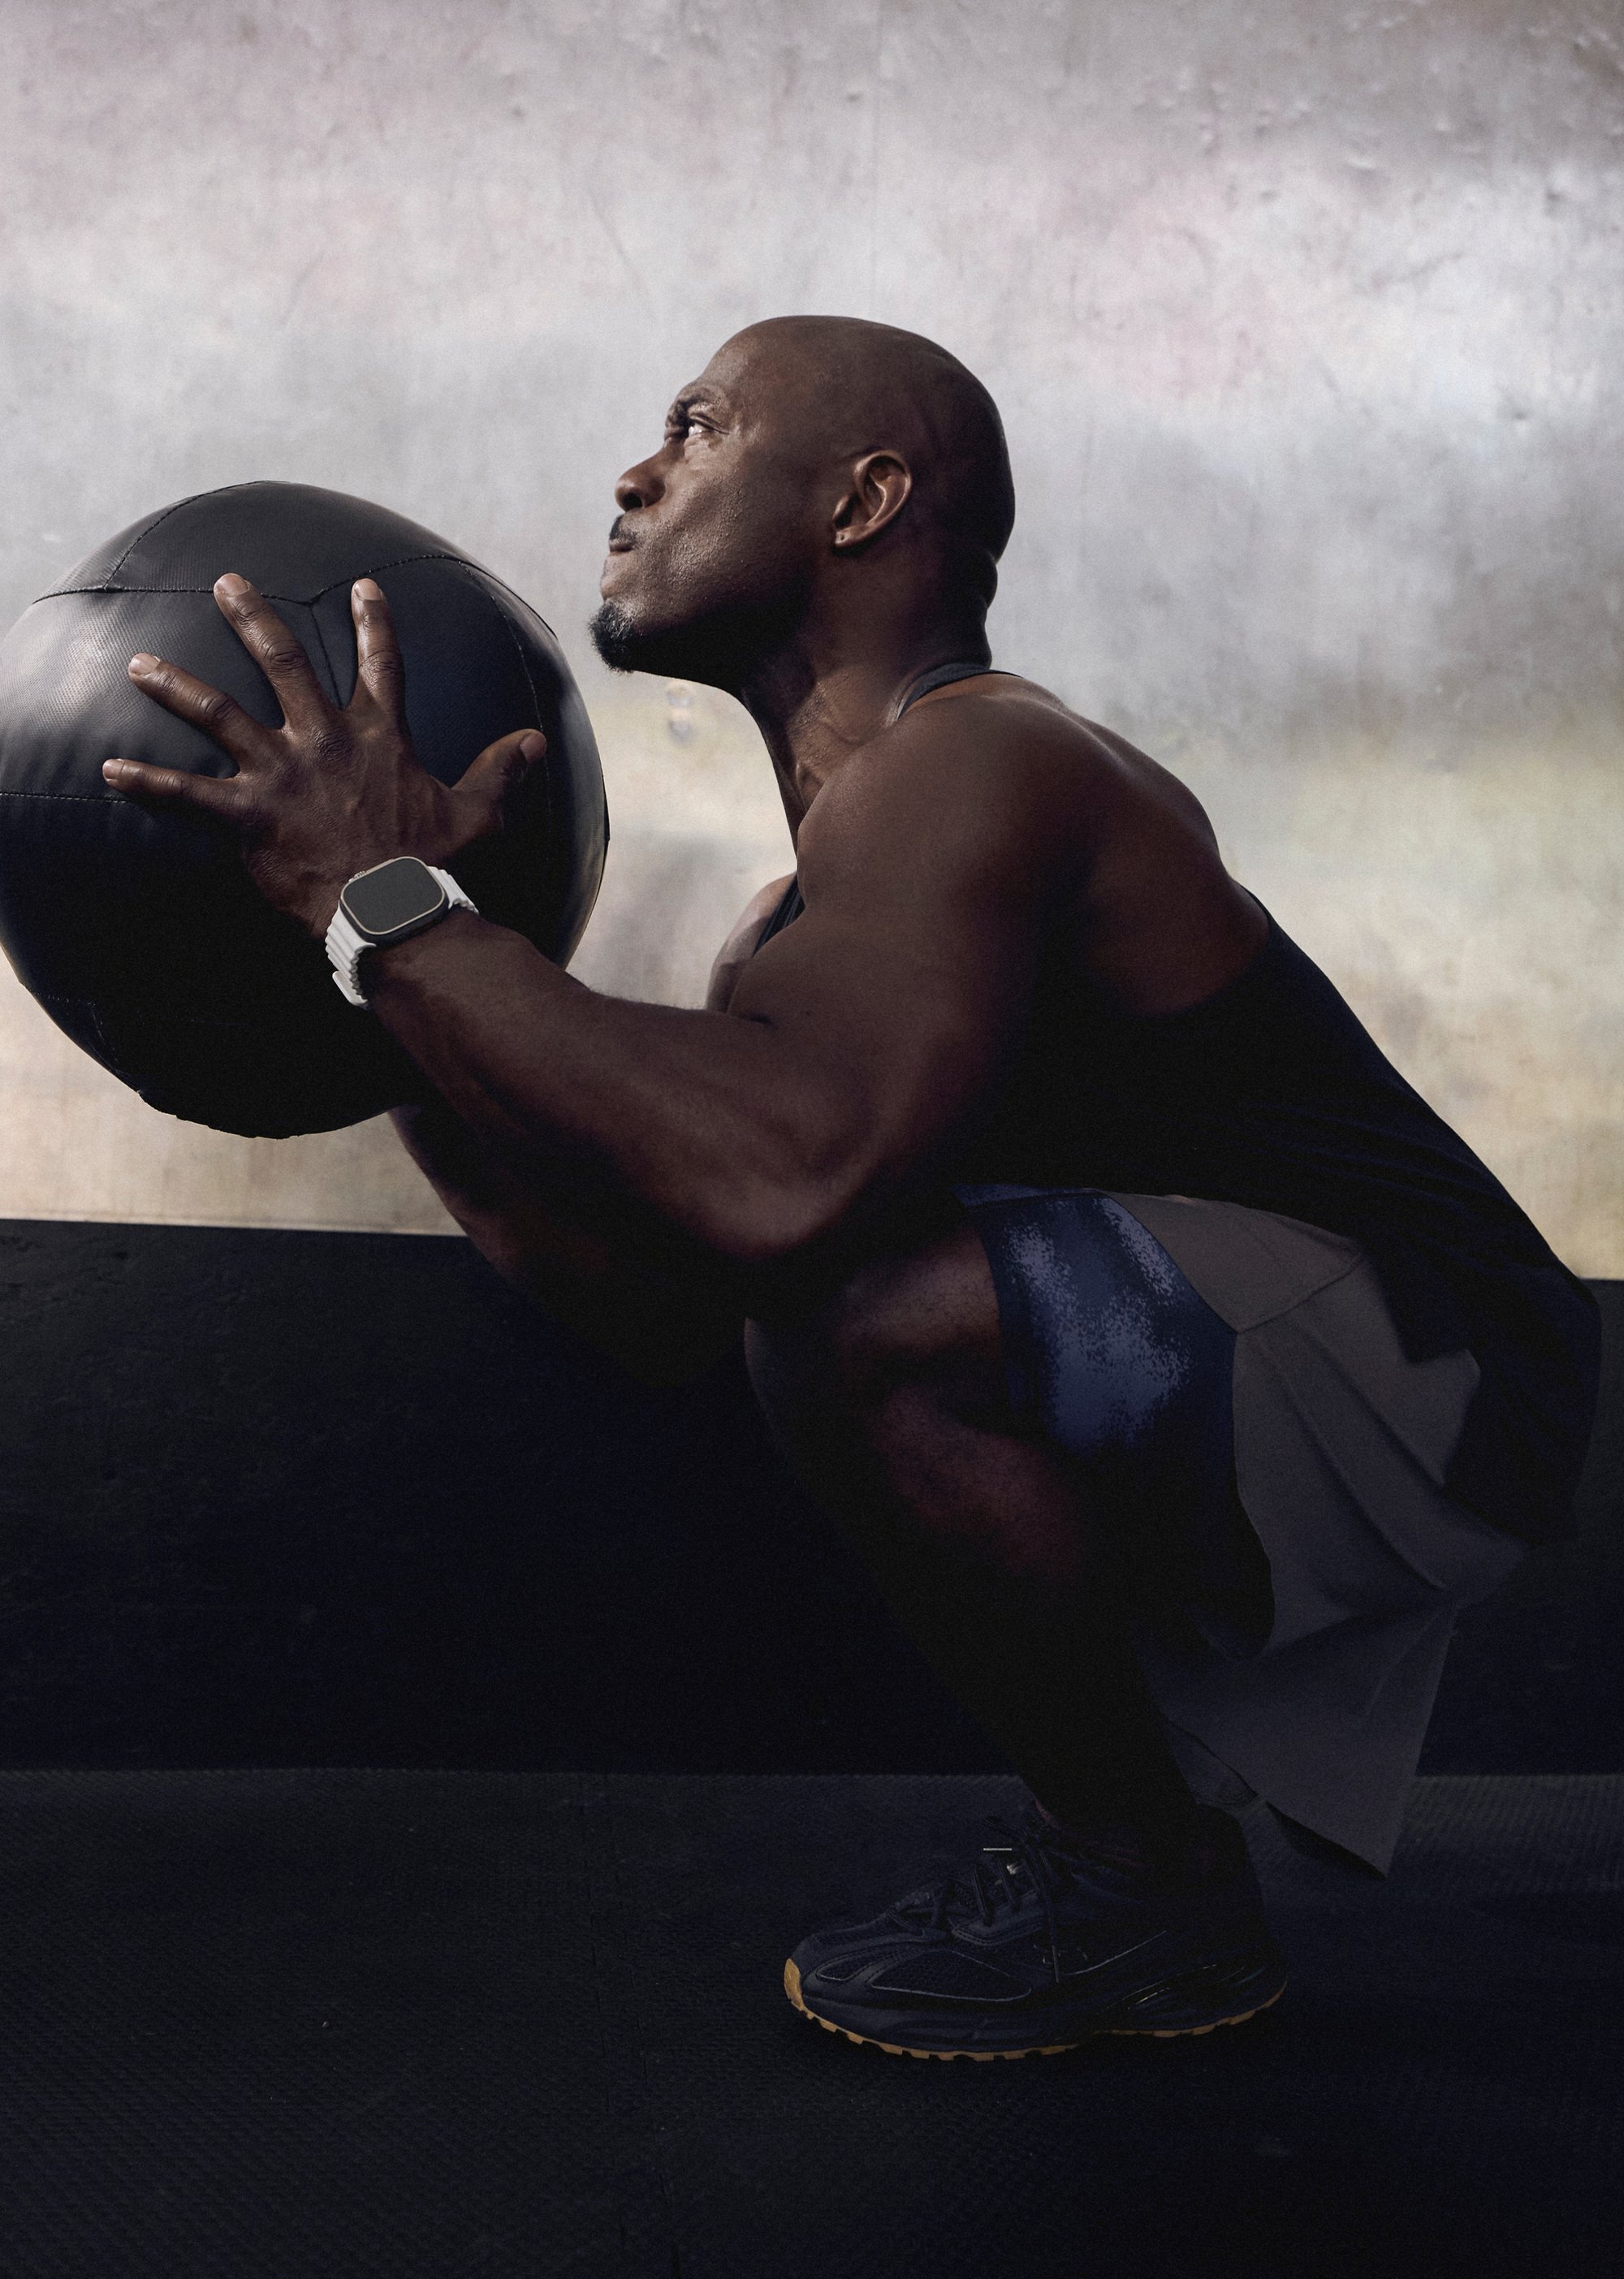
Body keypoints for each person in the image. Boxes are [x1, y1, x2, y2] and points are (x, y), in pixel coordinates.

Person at [103, 316, 1600, 2061]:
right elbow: (657, 1298)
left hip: (1455, 1349)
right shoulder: (798, 929)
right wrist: (394, 1015)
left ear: (867, 496)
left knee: (868, 1307)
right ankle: (1149, 1878)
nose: (633, 471)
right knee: (829, 1307)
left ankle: (1140, 1889)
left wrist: (399, 917)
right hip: (1293, 1352)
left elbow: (784, 1195)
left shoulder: (990, 762)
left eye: (697, 426)